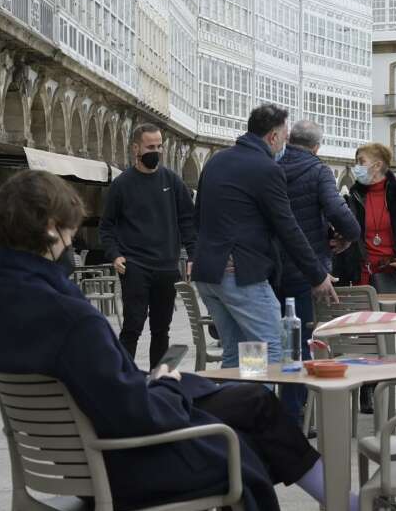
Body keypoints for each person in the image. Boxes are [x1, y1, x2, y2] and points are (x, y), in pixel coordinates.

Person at [0, 170, 396, 511]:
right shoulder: (68, 315)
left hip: (76, 465)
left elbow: (96, 390)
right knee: (239, 448)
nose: (73, 236)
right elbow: (133, 414)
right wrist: (161, 387)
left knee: (248, 401)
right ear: (49, 229)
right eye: (68, 226)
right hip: (123, 466)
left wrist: (153, 384)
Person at [192, 104, 339, 368]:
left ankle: (236, 408)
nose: (284, 144)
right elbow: (287, 226)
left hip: (209, 274)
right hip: (240, 274)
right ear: (272, 136)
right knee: (272, 348)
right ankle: (257, 408)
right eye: (284, 137)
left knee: (239, 354)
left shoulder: (216, 161)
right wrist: (317, 275)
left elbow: (198, 215)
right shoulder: (265, 168)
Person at [331, 142, 396, 413]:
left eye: (360, 160)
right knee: (366, 333)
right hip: (362, 273)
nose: (357, 165)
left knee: (381, 333)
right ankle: (367, 388)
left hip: (391, 276)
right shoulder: (353, 195)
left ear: (377, 165)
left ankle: (374, 385)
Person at [276, 120, 360, 428]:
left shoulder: (273, 165)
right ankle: (293, 409)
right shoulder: (319, 170)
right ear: (316, 146)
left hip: (270, 266)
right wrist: (350, 235)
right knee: (298, 338)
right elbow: (338, 210)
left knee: (274, 337)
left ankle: (274, 406)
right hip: (305, 267)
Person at [99, 123, 196, 370]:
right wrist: (115, 255)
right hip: (135, 267)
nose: (156, 151)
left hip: (166, 267)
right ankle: (121, 379)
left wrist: (193, 255)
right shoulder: (122, 185)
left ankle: (158, 381)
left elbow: (188, 220)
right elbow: (107, 226)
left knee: (161, 330)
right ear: (136, 148)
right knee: (132, 326)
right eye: (150, 146)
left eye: (159, 146)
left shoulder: (172, 181)